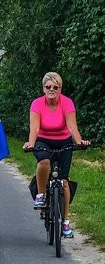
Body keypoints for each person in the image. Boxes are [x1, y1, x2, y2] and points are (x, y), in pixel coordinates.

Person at [23, 72, 90, 238]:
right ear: (43, 88)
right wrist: (31, 143)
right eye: (48, 87)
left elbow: (72, 127)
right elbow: (35, 128)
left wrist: (79, 141)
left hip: (63, 140)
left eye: (55, 87)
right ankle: (40, 195)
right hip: (43, 140)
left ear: (60, 88)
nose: (51, 90)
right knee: (44, 161)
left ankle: (66, 222)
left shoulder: (66, 103)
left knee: (64, 181)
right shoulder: (37, 104)